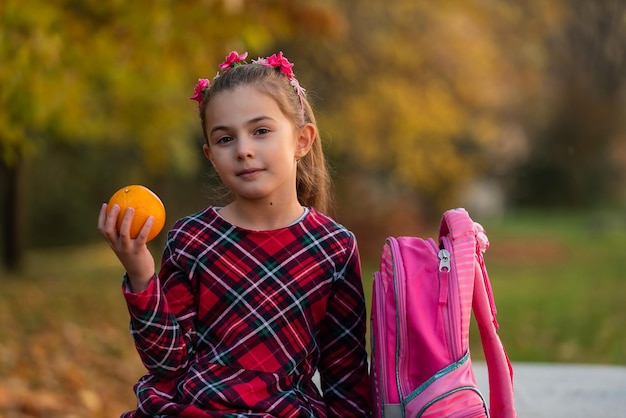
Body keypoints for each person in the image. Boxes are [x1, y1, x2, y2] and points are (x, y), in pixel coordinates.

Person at [98, 50, 371, 417]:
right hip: (193, 408)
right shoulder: (192, 238)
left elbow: (346, 377)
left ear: (302, 141)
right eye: (226, 139)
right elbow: (166, 363)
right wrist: (140, 272)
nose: (243, 150)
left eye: (261, 131)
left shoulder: (333, 248)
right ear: (211, 156)